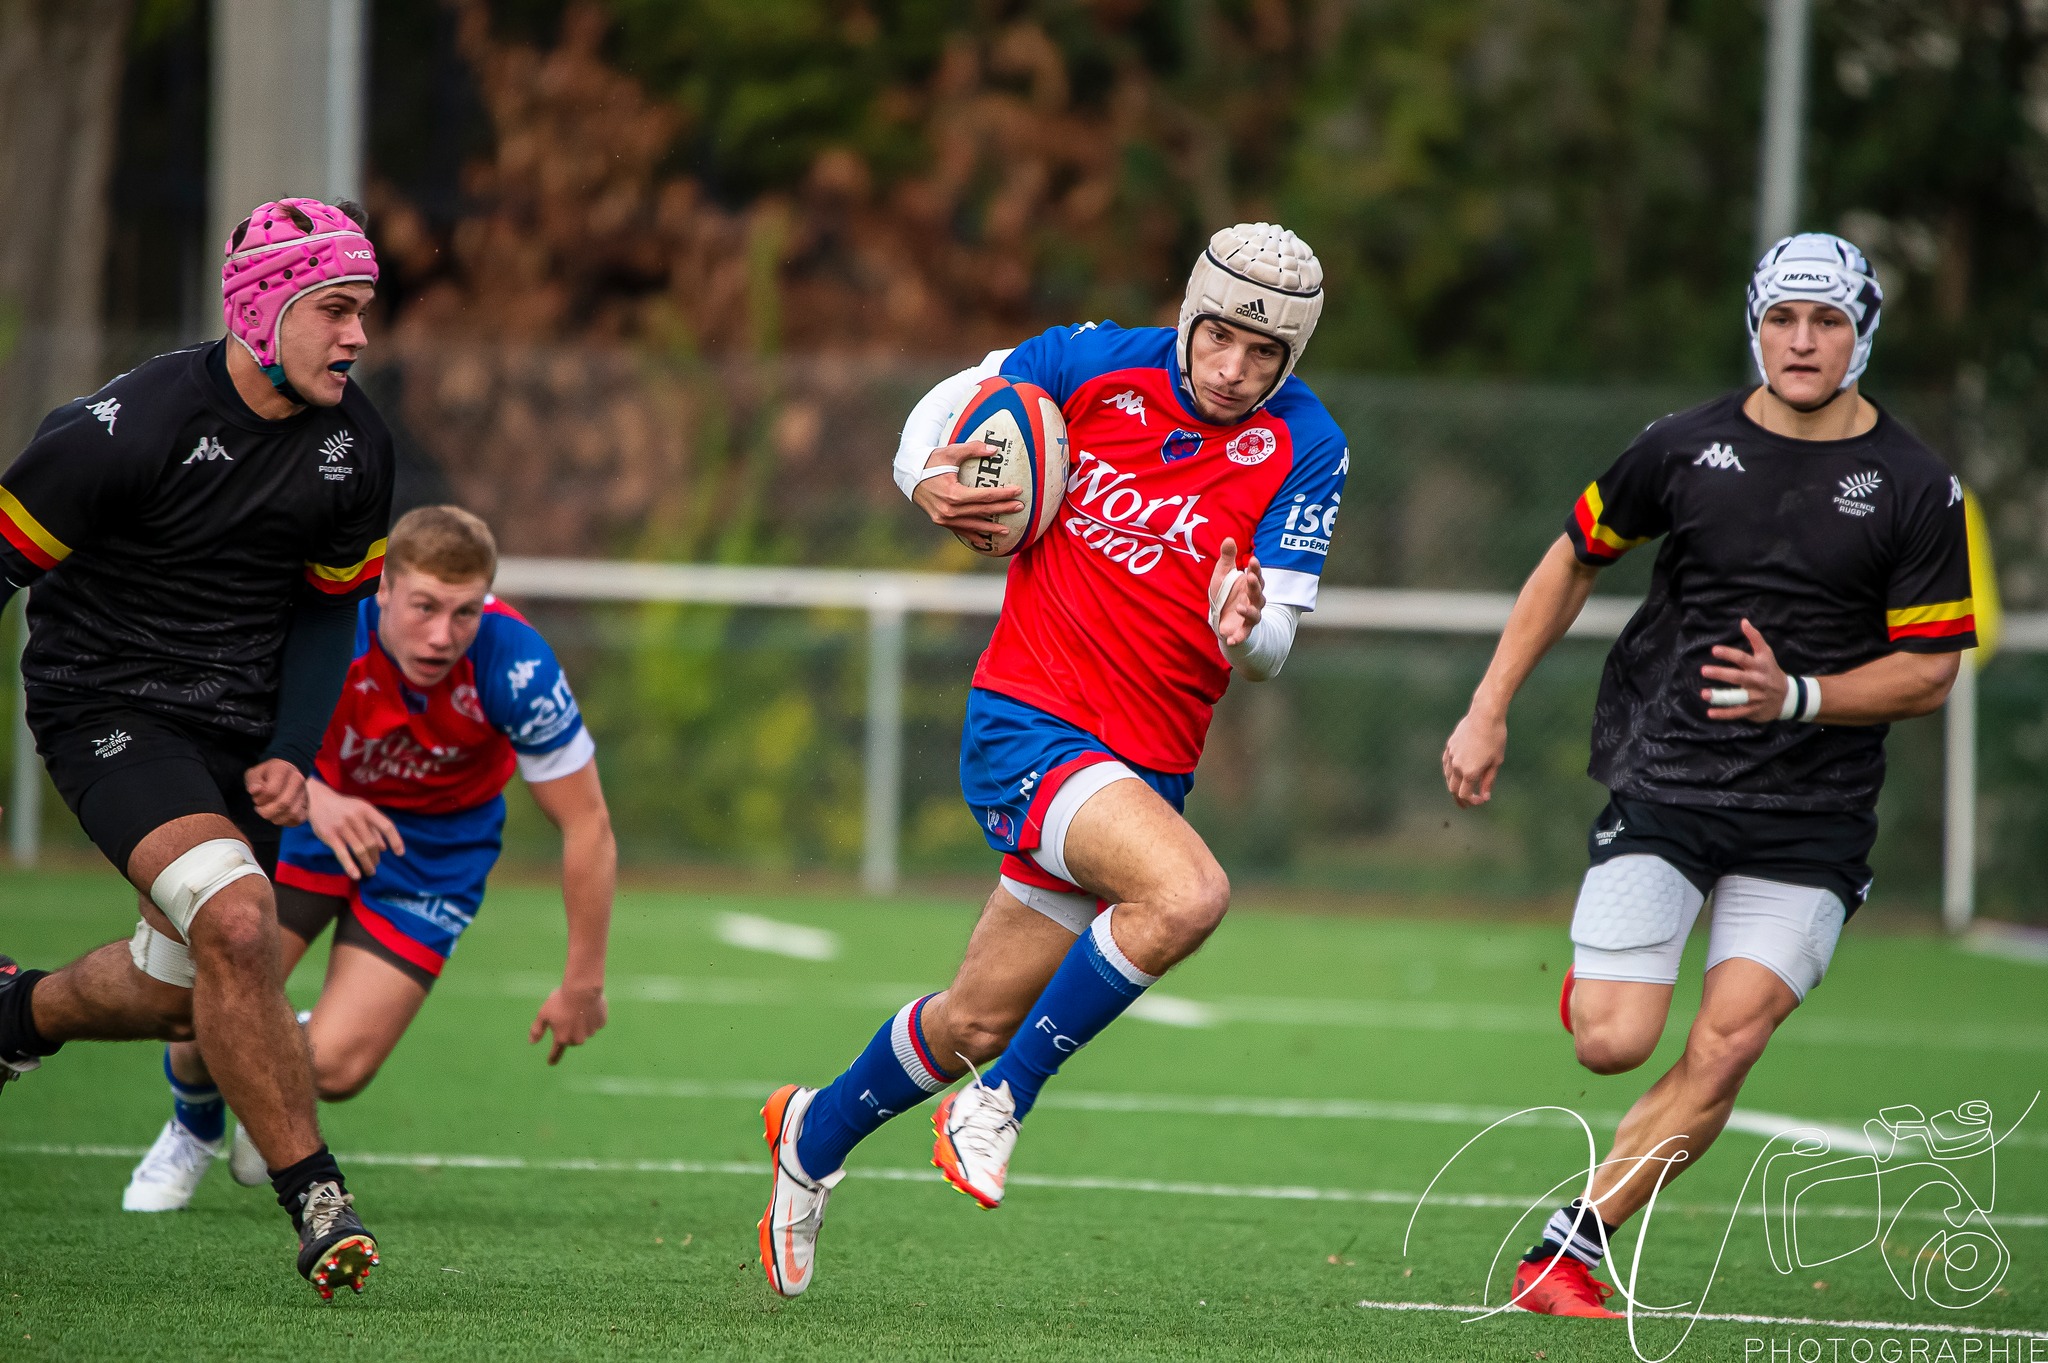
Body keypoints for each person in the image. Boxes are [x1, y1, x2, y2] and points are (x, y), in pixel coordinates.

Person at [756, 223, 1350, 1297]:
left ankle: (812, 1133)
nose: (1234, 369)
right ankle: (1000, 1103)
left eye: (1264, 354)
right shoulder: (1087, 361)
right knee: (1189, 894)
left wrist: (1242, 622)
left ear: (1290, 358)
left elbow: (1272, 644)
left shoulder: (1308, 442)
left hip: (1146, 764)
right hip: (1029, 722)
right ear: (1188, 313)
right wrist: (924, 481)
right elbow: (940, 416)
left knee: (973, 1019)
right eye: (1219, 337)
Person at [1440, 233, 1975, 1318]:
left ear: (1863, 334)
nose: (1802, 341)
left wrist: (1800, 696)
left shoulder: (1918, 486)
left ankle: (1566, 1249)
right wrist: (1486, 705)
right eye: (1783, 318)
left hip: (1812, 816)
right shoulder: (1681, 446)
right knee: (1612, 1042)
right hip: (1668, 781)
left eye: (1827, 322)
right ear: (1754, 325)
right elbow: (1570, 559)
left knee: (1726, 1044)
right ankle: (1599, 987)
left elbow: (1929, 671)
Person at [0, 198, 396, 1297]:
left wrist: (294, 748)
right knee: (238, 919)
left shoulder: (357, 445)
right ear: (263, 311)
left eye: (364, 310)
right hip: (108, 709)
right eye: (336, 309)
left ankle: (13, 1014)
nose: (358, 336)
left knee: (182, 992)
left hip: (240, 731)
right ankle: (316, 1195)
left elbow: (330, 608)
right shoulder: (124, 427)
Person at [121, 504, 615, 1210]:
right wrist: (316, 798)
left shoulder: (518, 664)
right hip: (300, 818)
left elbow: (587, 821)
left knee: (339, 1067)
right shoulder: (320, 622)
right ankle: (194, 1125)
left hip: (436, 851)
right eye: (424, 606)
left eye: (465, 612)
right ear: (382, 588)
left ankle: (275, 1055)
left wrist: (582, 982)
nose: (443, 635)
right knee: (198, 1004)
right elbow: (226, 738)